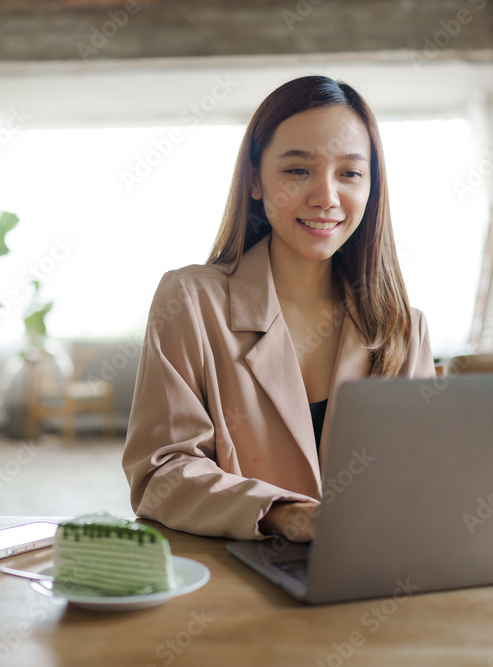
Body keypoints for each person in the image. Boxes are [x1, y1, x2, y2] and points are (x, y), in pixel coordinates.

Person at [122, 75, 435, 542]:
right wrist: (280, 513)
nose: (326, 197)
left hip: (372, 578)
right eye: (297, 170)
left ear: (372, 189)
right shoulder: (189, 300)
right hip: (237, 584)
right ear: (254, 179)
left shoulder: (402, 327)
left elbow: (424, 477)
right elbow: (161, 473)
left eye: (350, 173)